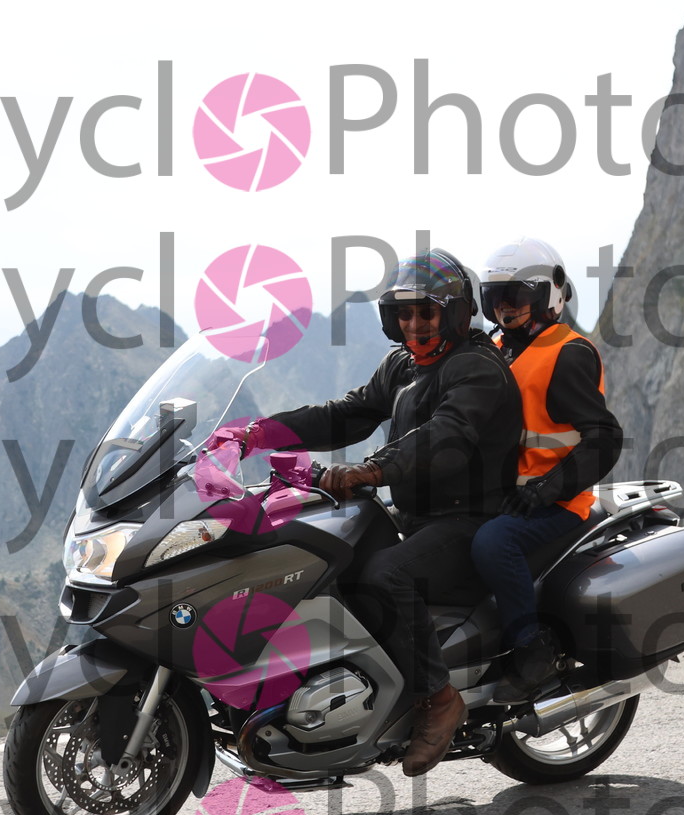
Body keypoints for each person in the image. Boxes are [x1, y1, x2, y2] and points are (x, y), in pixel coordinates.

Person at [210, 250, 521, 776]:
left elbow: (445, 437)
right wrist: (258, 434)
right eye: (405, 313)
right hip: (415, 516)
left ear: (456, 312)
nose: (414, 324)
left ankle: (439, 699)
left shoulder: (477, 368)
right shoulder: (403, 365)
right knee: (325, 553)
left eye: (427, 312)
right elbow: (346, 413)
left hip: (472, 521)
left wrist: (371, 469)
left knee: (384, 575)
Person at [472, 237, 624, 703]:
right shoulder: (497, 347)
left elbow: (604, 438)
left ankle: (530, 649)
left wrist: (546, 489)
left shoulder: (567, 353)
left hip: (557, 503)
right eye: (496, 297)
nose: (505, 306)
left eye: (516, 295)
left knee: (494, 543)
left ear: (549, 294)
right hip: (505, 496)